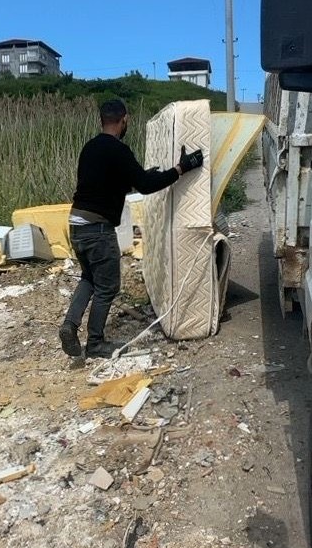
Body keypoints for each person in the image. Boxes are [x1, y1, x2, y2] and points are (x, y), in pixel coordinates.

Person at [59, 98, 204, 358]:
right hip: (98, 229)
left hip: (76, 225)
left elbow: (110, 183)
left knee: (89, 278)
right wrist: (181, 168)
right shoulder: (119, 150)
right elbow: (145, 186)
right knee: (107, 287)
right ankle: (95, 343)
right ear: (123, 120)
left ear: (102, 120)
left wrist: (147, 175)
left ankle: (70, 325)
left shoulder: (89, 148)